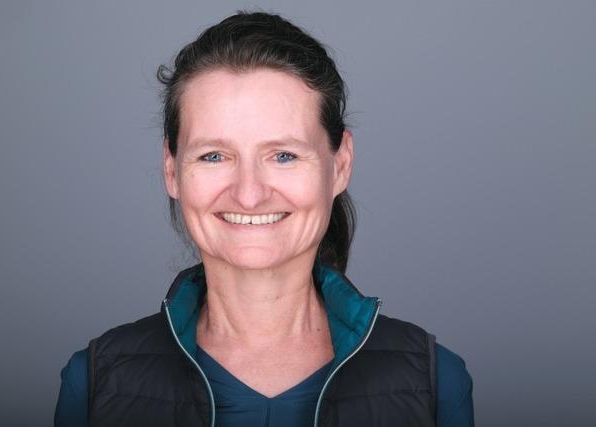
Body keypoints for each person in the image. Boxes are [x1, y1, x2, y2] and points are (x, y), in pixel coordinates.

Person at [55, 11, 474, 427]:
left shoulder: (434, 383)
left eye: (284, 155)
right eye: (214, 156)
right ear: (171, 169)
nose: (249, 194)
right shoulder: (95, 384)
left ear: (340, 164)